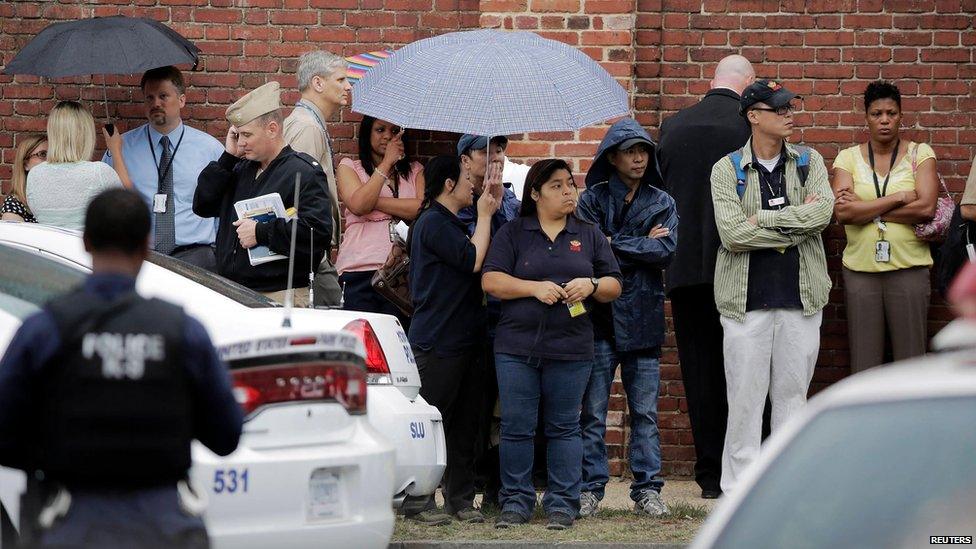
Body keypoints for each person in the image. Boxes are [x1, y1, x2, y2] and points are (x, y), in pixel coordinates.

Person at [0, 188, 242, 548]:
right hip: (163, 525)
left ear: (85, 241)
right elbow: (226, 436)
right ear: (146, 246)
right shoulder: (181, 331)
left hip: (71, 524)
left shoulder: (46, 330)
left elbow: (4, 433)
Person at [482, 159, 622, 530]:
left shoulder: (588, 234)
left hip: (572, 346)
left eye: (569, 184)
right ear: (535, 193)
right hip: (516, 347)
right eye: (556, 186)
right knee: (517, 426)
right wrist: (533, 288)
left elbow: (614, 285)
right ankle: (516, 502)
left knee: (564, 426)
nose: (567, 192)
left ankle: (563, 503)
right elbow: (491, 281)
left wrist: (590, 285)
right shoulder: (514, 232)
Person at [710, 80, 833, 493]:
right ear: (753, 116)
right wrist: (795, 224)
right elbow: (731, 234)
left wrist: (761, 220)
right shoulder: (726, 170)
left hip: (801, 299)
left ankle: (789, 487)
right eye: (778, 108)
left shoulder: (809, 162)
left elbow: (822, 216)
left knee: (793, 398)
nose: (788, 114)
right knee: (744, 400)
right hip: (746, 303)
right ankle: (739, 490)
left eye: (790, 107)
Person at [655, 54, 754, 499]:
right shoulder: (749, 128)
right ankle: (746, 468)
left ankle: (710, 475)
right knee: (747, 371)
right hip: (740, 266)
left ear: (712, 80)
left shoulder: (673, 128)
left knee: (699, 371)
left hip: (685, 268)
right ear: (746, 85)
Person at [576, 118, 678, 518]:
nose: (638, 158)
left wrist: (613, 244)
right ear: (612, 157)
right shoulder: (591, 200)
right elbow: (588, 251)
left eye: (643, 151)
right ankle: (590, 489)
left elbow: (666, 251)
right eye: (630, 151)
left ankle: (648, 490)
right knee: (593, 412)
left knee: (645, 413)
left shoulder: (662, 201)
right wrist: (634, 243)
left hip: (644, 315)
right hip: (599, 317)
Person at [406, 155, 500, 525]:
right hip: (438, 341)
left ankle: (460, 499)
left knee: (466, 423)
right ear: (448, 184)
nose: (471, 183)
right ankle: (418, 499)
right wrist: (487, 215)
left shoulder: (453, 223)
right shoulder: (433, 222)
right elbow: (472, 259)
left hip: (466, 339)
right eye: (465, 177)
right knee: (432, 420)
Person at [193, 81, 333, 306]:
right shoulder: (238, 169)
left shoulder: (302, 171)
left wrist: (262, 232)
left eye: (247, 134)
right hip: (234, 293)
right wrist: (227, 157)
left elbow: (317, 234)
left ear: (272, 129)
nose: (242, 142)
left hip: (279, 294)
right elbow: (203, 205)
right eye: (238, 135)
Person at [832, 81, 938, 373]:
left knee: (911, 361)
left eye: (891, 113)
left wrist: (868, 211)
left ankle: (915, 419)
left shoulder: (920, 154)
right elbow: (843, 212)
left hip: (909, 268)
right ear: (866, 117)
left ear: (901, 115)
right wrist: (899, 198)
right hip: (860, 271)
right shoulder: (848, 158)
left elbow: (926, 208)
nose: (885, 120)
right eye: (877, 113)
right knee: (864, 364)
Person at [102, 66, 225, 270]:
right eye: (149, 98)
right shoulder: (122, 148)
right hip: (140, 256)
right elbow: (106, 201)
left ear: (182, 100)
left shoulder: (210, 150)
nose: (156, 103)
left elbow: (224, 206)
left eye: (163, 96)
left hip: (197, 257)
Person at [455, 133, 520, 509]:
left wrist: (498, 203)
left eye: (500, 150)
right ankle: (463, 487)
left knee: (502, 406)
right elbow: (471, 253)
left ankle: (498, 489)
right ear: (466, 160)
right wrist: (484, 209)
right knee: (471, 406)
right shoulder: (457, 201)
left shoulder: (510, 198)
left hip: (504, 314)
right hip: (466, 316)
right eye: (485, 151)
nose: (495, 157)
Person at [335, 116, 423, 325]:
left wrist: (372, 200)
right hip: (359, 270)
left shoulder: (415, 170)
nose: (387, 136)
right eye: (380, 130)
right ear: (367, 134)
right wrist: (386, 164)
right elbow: (358, 206)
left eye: (394, 131)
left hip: (402, 272)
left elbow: (420, 209)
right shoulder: (350, 167)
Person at [282, 50, 352, 307]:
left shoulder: (308, 123)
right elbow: (297, 193)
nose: (348, 86)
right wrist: (314, 252)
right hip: (310, 254)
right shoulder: (307, 127)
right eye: (341, 79)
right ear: (318, 83)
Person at [26, 101, 131, 230]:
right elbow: (129, 204)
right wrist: (115, 150)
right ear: (85, 134)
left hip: (48, 248)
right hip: (86, 249)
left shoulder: (35, 174)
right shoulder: (98, 172)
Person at [1, 134, 47, 222]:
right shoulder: (14, 205)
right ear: (25, 164)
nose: (49, 160)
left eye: (52, 155)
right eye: (42, 154)